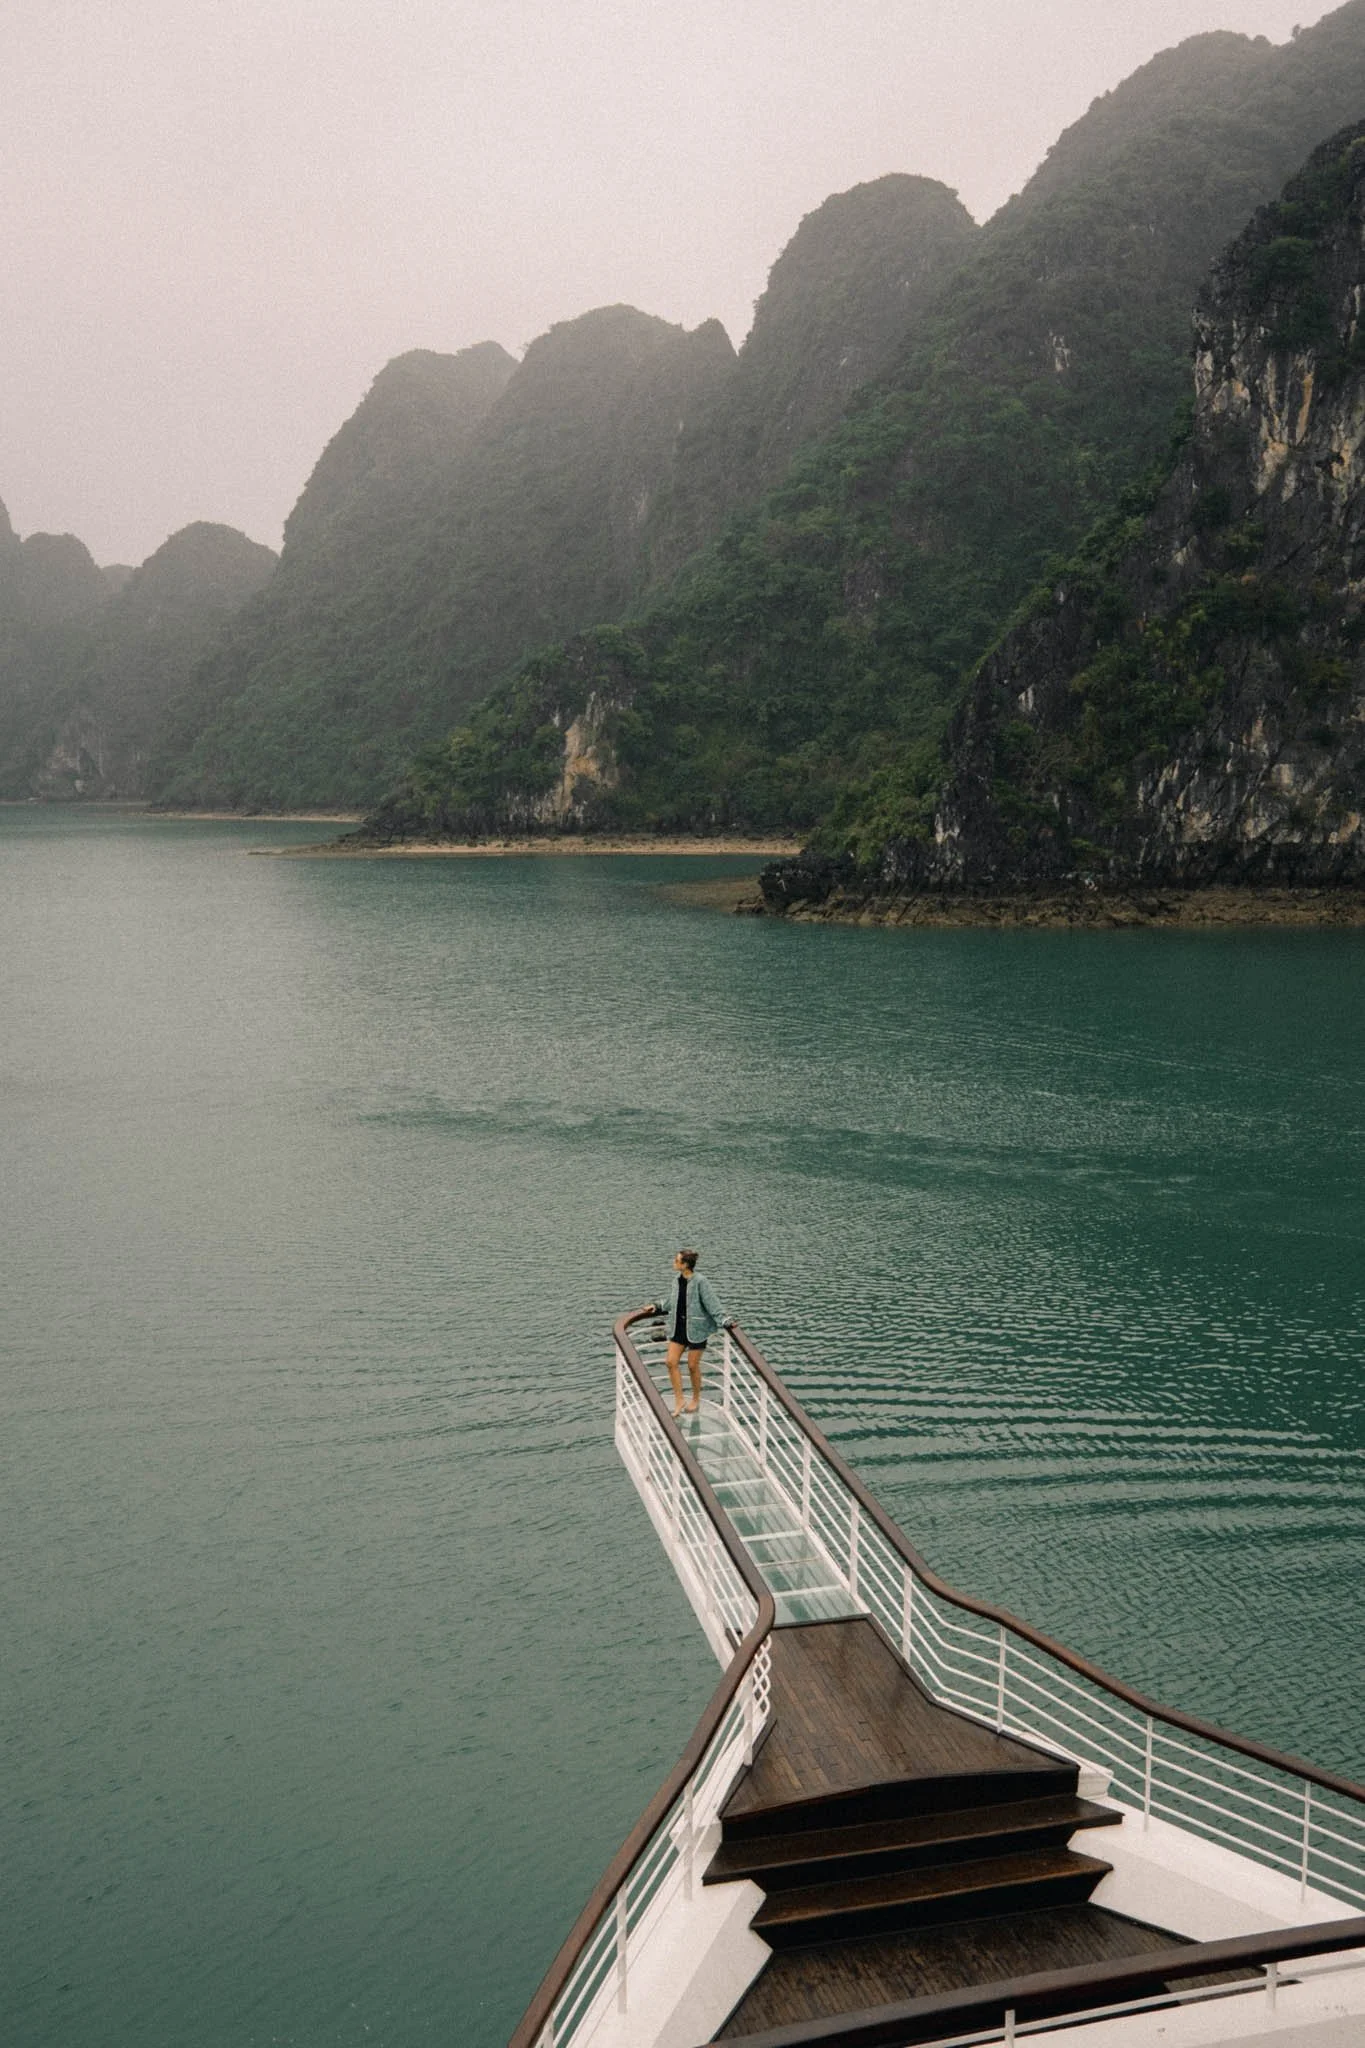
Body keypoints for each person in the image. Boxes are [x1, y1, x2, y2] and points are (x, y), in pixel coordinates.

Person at [645, 1250, 734, 1419]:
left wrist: (724, 1319)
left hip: (697, 1329)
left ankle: (695, 1399)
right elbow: (672, 1302)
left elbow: (712, 1302)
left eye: (676, 1260)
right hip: (678, 1328)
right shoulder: (676, 1281)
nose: (673, 1262)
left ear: (685, 1264)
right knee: (670, 1362)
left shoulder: (700, 1281)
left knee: (693, 1366)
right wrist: (656, 1305)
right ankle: (680, 1401)